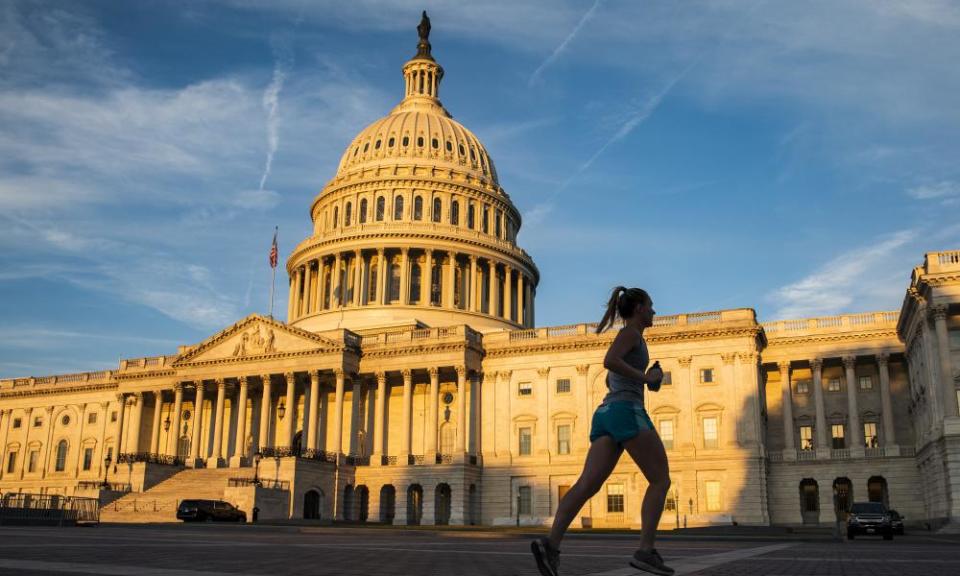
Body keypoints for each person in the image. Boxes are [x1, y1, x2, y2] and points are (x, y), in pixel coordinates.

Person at [532, 287, 673, 576]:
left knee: (587, 484)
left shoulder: (633, 338)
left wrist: (650, 380)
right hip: (626, 412)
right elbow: (609, 361)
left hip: (606, 414)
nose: (654, 311)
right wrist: (646, 377)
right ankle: (646, 550)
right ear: (638, 309)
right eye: (650, 306)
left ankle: (551, 545)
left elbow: (615, 376)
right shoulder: (631, 334)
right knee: (660, 481)